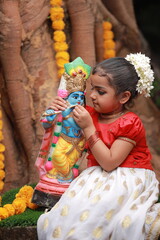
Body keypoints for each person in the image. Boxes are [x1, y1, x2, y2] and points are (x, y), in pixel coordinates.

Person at [37, 53, 160, 240]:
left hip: (127, 176)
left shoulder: (129, 123)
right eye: (91, 88)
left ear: (124, 97)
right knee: (74, 203)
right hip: (96, 175)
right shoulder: (89, 113)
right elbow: (61, 130)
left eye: (101, 92)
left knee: (104, 205)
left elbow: (110, 162)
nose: (92, 95)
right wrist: (55, 111)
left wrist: (88, 127)